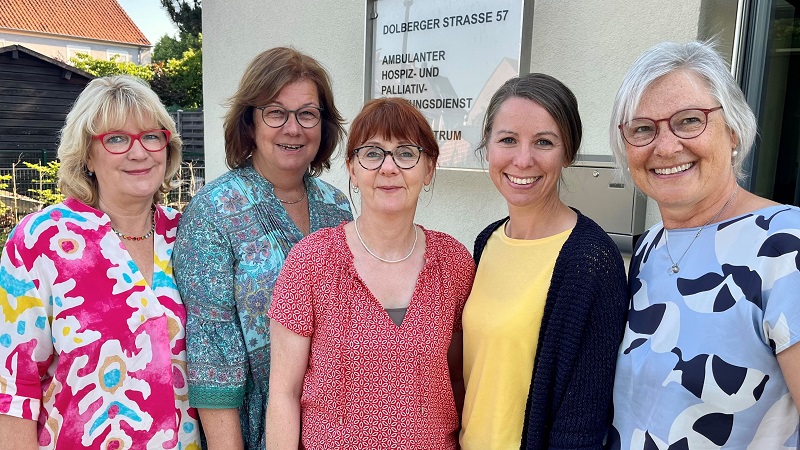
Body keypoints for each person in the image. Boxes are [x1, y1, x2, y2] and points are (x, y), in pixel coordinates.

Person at [607, 41, 800, 449]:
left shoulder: (785, 247)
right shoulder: (650, 249)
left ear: (732, 129)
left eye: (689, 120)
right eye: (643, 128)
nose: (665, 146)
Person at [0, 75, 200, 449]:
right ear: (88, 155)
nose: (139, 152)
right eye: (116, 139)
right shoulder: (41, 240)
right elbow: (14, 386)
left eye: (151, 136)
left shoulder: (190, 233)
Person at [265, 97, 475, 449]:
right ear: (352, 168)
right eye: (373, 153)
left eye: (406, 153)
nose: (389, 168)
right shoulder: (311, 262)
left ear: (429, 169)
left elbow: (458, 382)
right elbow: (284, 394)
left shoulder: (453, 262)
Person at [173, 47, 352, 450]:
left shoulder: (338, 205)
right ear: (250, 123)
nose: (294, 128)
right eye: (275, 112)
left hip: (340, 423)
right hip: (256, 430)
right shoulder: (213, 210)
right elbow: (212, 353)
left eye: (307, 113)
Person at [460, 73, 628, 450]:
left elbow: (584, 419)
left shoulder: (592, 260)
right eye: (507, 140)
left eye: (544, 142)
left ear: (567, 153)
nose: (523, 160)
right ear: (487, 146)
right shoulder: (487, 241)